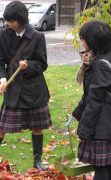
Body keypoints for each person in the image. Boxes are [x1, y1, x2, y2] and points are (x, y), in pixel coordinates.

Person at [0, 1, 52, 171]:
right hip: (13, 88)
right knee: (1, 127)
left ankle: (37, 161)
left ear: (22, 18)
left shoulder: (37, 36)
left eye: (12, 20)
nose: (9, 23)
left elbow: (42, 64)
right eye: (7, 20)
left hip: (34, 90)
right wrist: (2, 80)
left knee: (37, 127)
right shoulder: (5, 35)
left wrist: (29, 65)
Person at [72, 20, 111, 180]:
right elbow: (90, 93)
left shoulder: (100, 64)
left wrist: (84, 131)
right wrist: (78, 112)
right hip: (106, 120)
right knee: (108, 165)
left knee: (101, 167)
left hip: (102, 124)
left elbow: (95, 101)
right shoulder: (103, 58)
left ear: (93, 41)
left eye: (83, 38)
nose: (81, 41)